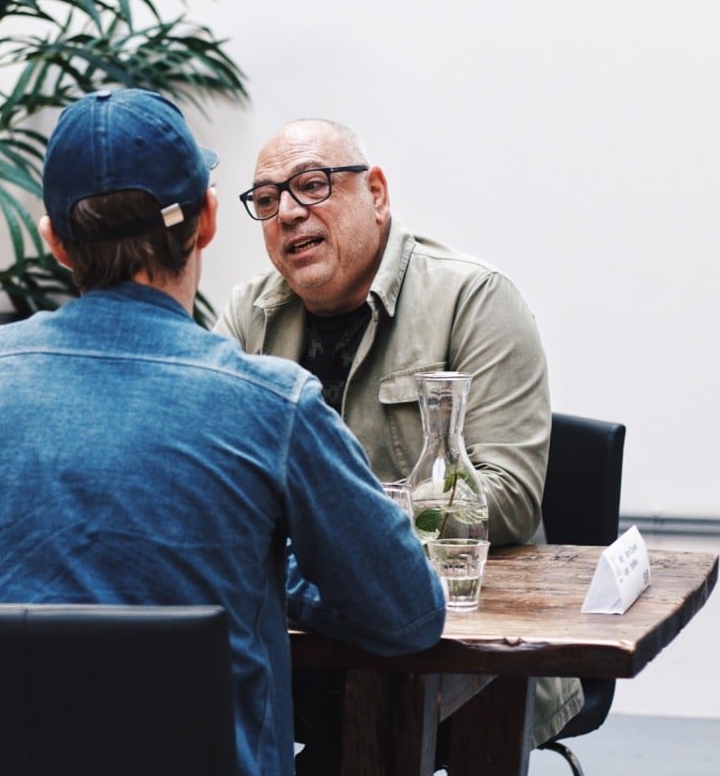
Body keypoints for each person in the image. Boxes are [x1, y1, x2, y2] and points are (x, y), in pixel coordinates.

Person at [0, 90, 446, 776]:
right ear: (208, 218)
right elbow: (407, 613)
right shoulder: (272, 404)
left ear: (54, 242)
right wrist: (279, 568)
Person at [215, 118, 583, 765]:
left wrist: (340, 526)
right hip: (302, 634)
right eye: (267, 202)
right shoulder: (249, 313)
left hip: (454, 648)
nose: (290, 214)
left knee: (374, 721)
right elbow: (217, 486)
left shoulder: (473, 298)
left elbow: (508, 495)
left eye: (312, 185)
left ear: (376, 193)